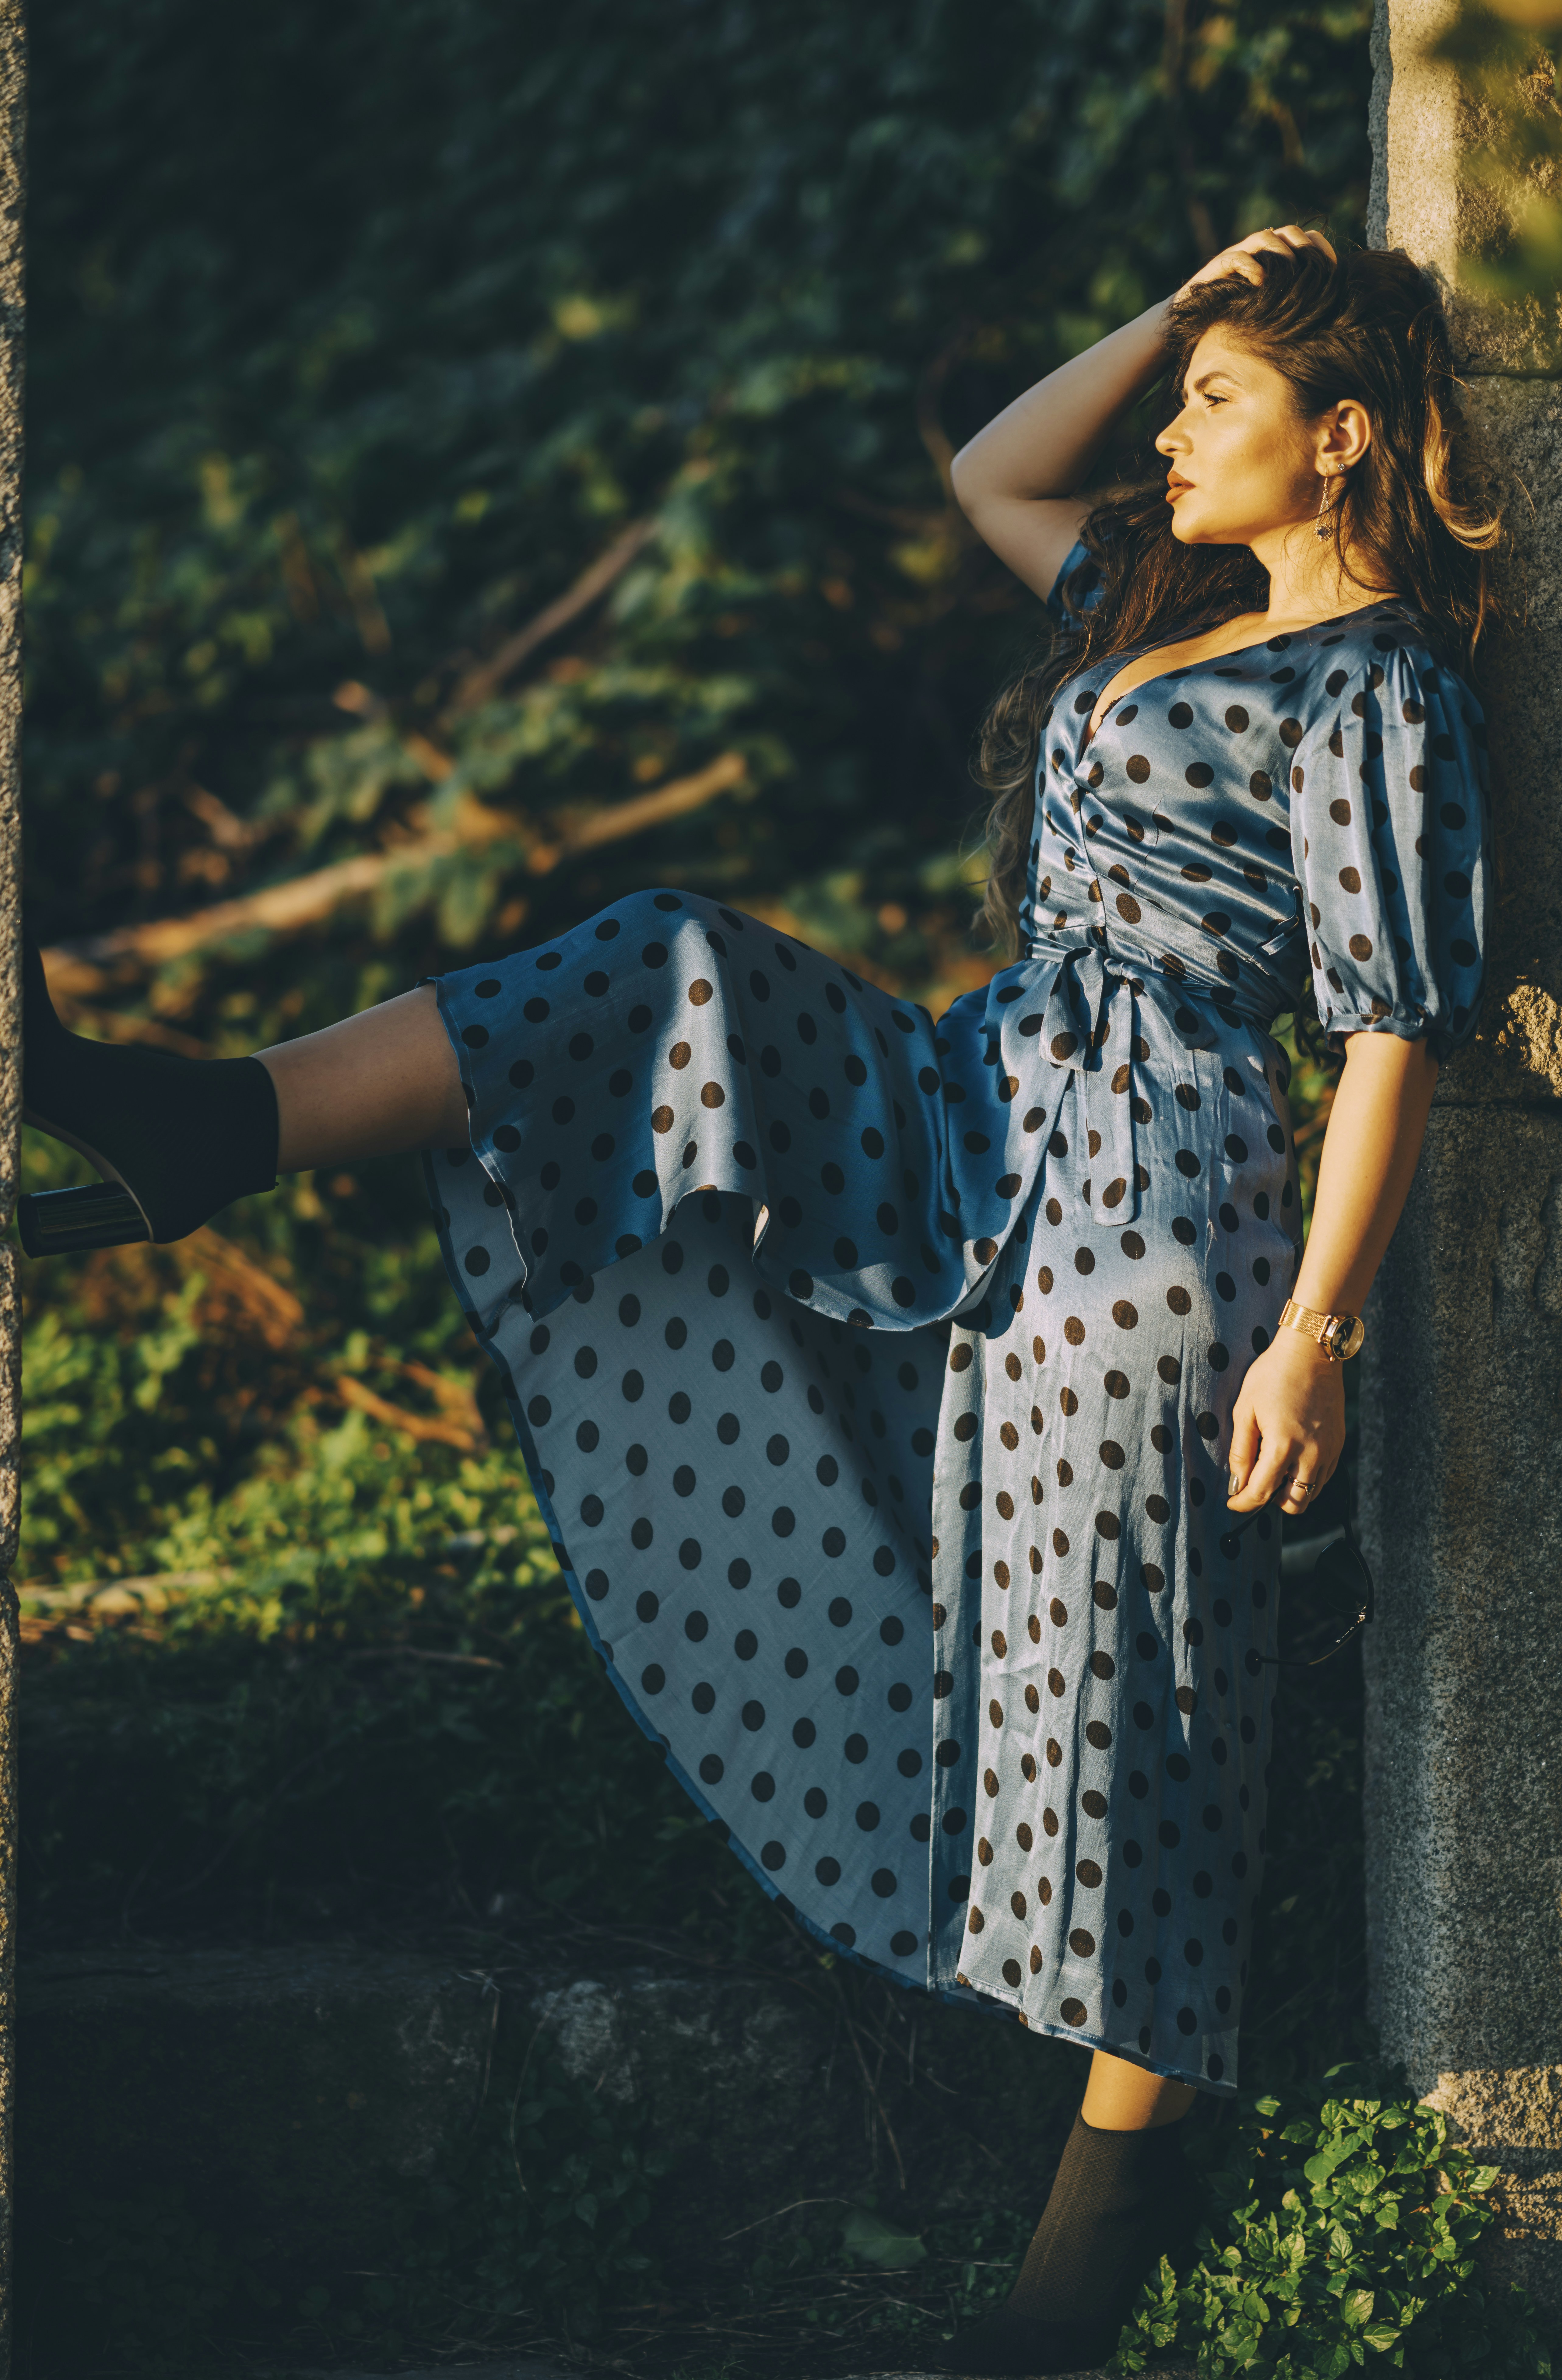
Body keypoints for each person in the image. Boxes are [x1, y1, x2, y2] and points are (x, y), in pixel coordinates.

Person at [19, 226, 1496, 2376]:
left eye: (1221, 401)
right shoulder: (1152, 602)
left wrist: (1319, 1330)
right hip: (982, 1092)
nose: (1175, 431)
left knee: (1137, 1669)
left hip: (1166, 1190)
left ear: (1339, 439)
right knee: (664, 969)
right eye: (1182, 400)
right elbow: (996, 477)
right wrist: (1179, 314)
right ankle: (199, 1132)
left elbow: (1392, 1035)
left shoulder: (1381, 689)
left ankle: (1094, 2240)